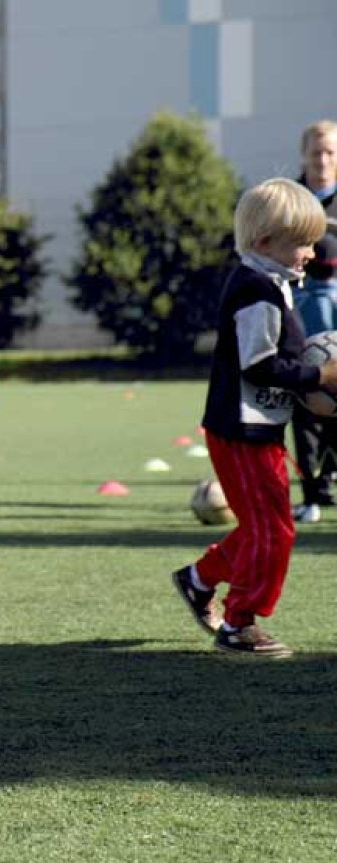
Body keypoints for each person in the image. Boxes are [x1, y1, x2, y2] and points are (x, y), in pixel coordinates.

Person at [172, 177, 337, 658]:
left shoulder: (272, 282)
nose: (311, 251)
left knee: (265, 525)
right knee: (275, 530)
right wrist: (317, 376)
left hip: (258, 427)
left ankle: (199, 579)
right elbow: (258, 364)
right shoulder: (258, 293)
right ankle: (239, 623)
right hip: (241, 430)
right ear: (266, 243)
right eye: (301, 243)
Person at [290, 232, 337, 522]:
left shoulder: (295, 298)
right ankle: (327, 485)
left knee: (307, 443)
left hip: (305, 383)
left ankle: (310, 502)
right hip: (335, 385)